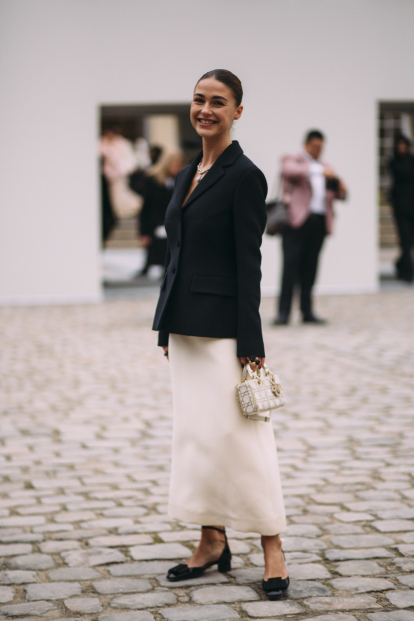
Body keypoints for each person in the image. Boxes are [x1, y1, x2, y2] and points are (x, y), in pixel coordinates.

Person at [152, 69, 289, 601]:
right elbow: (175, 254)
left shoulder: (244, 175)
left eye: (218, 102)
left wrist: (250, 342)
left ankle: (272, 547)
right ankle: (211, 540)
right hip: (185, 329)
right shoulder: (190, 173)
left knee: (244, 437)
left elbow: (247, 263)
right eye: (199, 100)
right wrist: (166, 321)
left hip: (224, 333)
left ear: (237, 111)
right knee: (197, 439)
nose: (205, 109)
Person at [274, 130, 347, 325]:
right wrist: (317, 171)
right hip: (296, 222)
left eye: (320, 147)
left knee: (310, 268)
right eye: (314, 146)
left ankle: (307, 311)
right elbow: (288, 171)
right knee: (289, 267)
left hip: (319, 222)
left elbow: (338, 195)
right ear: (306, 144)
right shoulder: (295, 160)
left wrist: (341, 186)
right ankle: (283, 313)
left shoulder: (326, 166)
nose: (317, 150)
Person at [138, 152, 184, 279]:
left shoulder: (181, 181)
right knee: (157, 250)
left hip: (173, 223)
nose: (177, 167)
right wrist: (144, 232)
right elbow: (146, 208)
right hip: (155, 223)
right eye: (174, 164)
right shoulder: (152, 181)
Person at [388, 134, 414, 282]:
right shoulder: (394, 162)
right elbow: (403, 174)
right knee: (404, 241)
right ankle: (408, 274)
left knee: (409, 242)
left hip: (412, 207)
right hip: (401, 208)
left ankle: (401, 265)